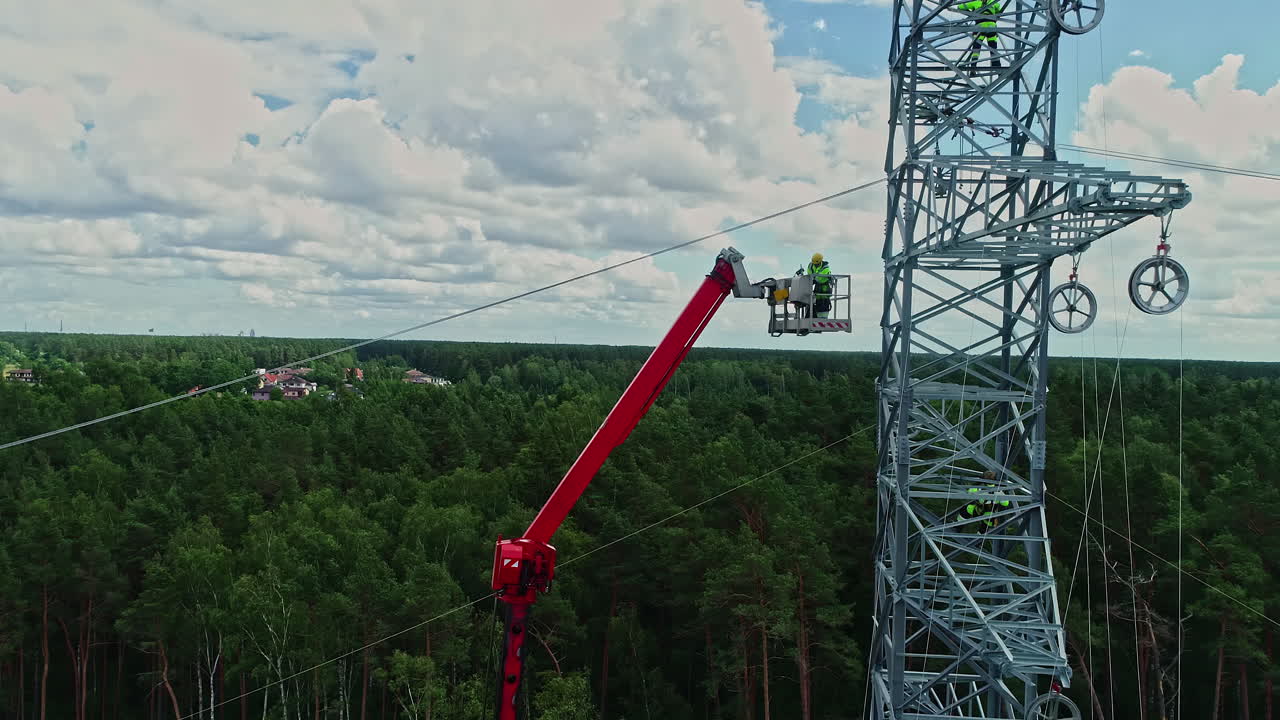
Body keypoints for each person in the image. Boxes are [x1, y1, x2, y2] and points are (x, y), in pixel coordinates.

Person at [956, 0, 1003, 72]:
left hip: (979, 27)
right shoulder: (993, 2)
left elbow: (959, 7)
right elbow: (999, 11)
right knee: (993, 48)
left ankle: (973, 67)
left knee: (976, 48)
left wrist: (971, 14)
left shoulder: (975, 2)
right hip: (991, 26)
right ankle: (997, 68)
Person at [806, 252, 833, 318]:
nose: (815, 265)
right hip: (817, 288)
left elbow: (819, 279)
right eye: (814, 264)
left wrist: (813, 279)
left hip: (824, 288)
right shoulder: (811, 266)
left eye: (817, 264)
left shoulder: (826, 269)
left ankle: (823, 319)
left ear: (820, 262)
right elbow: (809, 274)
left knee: (824, 304)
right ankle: (817, 316)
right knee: (816, 303)